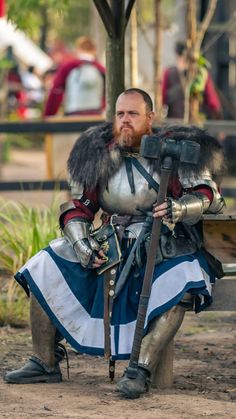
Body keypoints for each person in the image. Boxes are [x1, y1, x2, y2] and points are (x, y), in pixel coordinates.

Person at [4, 88, 225, 399]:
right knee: (44, 264)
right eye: (120, 114)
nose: (124, 121)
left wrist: (180, 207)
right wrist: (81, 244)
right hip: (109, 242)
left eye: (132, 115)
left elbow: (210, 195)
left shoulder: (178, 150)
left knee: (185, 279)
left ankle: (140, 369)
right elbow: (79, 206)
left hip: (163, 244)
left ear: (150, 118)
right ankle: (44, 361)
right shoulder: (96, 152)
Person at [44, 36, 105, 117]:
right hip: (96, 115)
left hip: (73, 114)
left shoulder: (68, 66)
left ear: (78, 49)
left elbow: (56, 91)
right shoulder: (101, 69)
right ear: (94, 50)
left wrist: (49, 115)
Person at [162, 41, 223, 120]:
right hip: (176, 124)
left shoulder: (200, 73)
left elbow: (212, 101)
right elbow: (162, 99)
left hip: (191, 122)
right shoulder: (169, 73)